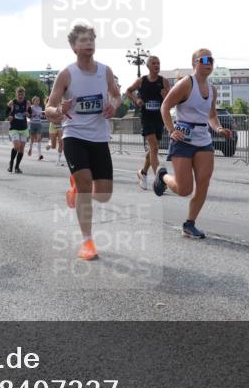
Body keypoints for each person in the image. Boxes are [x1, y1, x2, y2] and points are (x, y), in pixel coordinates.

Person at [46, 24, 122, 261]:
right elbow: (49, 108)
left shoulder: (105, 71)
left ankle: (77, 189)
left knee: (104, 194)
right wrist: (58, 111)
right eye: (83, 40)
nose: (88, 43)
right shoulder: (67, 74)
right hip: (74, 135)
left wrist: (114, 105)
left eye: (91, 39)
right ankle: (87, 240)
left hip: (99, 138)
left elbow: (117, 95)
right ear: (73, 46)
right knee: (86, 182)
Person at [153, 49, 233, 239]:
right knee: (184, 189)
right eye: (204, 59)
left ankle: (189, 224)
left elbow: (211, 115)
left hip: (203, 140)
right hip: (183, 140)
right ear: (194, 63)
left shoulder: (212, 89)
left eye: (211, 60)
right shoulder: (186, 84)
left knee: (203, 183)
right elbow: (165, 106)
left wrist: (219, 128)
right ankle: (162, 176)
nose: (209, 63)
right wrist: (172, 130)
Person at [125, 56, 170, 190]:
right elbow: (128, 91)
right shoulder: (142, 80)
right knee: (154, 147)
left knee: (153, 149)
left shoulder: (164, 81)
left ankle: (143, 173)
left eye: (158, 63)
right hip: (146, 117)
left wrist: (165, 96)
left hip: (159, 118)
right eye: (154, 63)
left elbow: (170, 100)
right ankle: (158, 180)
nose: (157, 65)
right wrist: (136, 100)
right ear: (148, 66)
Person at [7, 87, 30, 173]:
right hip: (14, 128)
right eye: (19, 94)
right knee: (17, 146)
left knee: (22, 148)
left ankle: (17, 167)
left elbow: (29, 113)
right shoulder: (12, 103)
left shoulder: (27, 103)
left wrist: (28, 114)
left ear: (24, 94)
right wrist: (9, 117)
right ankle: (11, 163)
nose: (20, 96)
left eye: (22, 94)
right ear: (16, 94)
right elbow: (7, 113)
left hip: (23, 128)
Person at [27, 96, 45, 160]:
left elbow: (41, 116)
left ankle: (39, 154)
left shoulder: (40, 108)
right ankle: (30, 149)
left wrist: (42, 115)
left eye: (38, 100)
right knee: (32, 139)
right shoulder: (31, 107)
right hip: (32, 124)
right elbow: (28, 115)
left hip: (38, 124)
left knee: (39, 139)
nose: (37, 101)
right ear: (33, 101)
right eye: (36, 100)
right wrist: (32, 115)